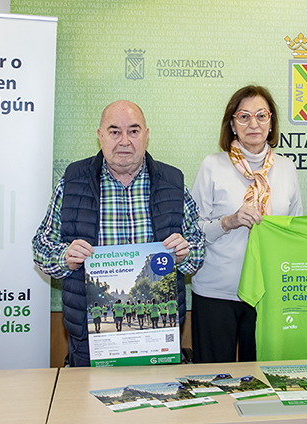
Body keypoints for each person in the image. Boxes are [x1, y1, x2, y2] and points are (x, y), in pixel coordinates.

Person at [32, 100, 204, 366]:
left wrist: (185, 252)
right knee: (89, 408)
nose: (124, 141)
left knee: (157, 407)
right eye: (114, 131)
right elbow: (41, 247)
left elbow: (198, 248)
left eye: (133, 131)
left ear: (146, 136)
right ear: (100, 136)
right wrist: (64, 256)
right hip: (89, 341)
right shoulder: (71, 181)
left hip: (158, 339)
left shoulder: (173, 183)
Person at [191, 85, 303, 363]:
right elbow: (192, 232)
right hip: (216, 293)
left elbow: (297, 231)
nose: (253, 123)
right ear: (232, 123)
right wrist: (229, 221)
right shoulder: (212, 165)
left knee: (263, 382)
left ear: (271, 122)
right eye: (244, 116)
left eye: (262, 116)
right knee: (214, 383)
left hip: (268, 293)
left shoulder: (287, 168)